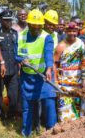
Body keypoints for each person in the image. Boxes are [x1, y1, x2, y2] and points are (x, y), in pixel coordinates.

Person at [15, 9, 57, 137]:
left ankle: (52, 131)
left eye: (39, 27)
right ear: (29, 24)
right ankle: (26, 132)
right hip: (26, 77)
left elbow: (48, 53)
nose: (37, 29)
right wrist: (21, 59)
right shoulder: (21, 35)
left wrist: (49, 68)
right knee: (27, 106)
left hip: (43, 76)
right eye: (34, 26)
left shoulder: (46, 37)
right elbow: (15, 54)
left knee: (49, 102)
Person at [54, 22, 85, 121]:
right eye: (69, 31)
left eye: (74, 31)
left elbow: (84, 61)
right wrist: (56, 81)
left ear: (77, 31)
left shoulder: (81, 44)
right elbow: (55, 64)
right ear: (65, 31)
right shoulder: (61, 46)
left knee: (78, 106)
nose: (72, 33)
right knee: (65, 108)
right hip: (64, 82)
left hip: (78, 81)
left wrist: (84, 78)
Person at [0, 9, 20, 120]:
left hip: (13, 69)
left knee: (14, 95)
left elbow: (18, 50)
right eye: (6, 20)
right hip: (1, 69)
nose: (9, 22)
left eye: (10, 20)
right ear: (1, 20)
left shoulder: (15, 33)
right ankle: (1, 116)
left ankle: (11, 115)